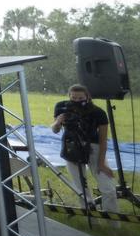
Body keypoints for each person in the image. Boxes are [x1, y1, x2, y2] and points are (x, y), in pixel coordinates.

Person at [51, 84, 118, 214]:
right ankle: (89, 212)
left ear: (88, 97)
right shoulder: (61, 107)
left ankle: (113, 220)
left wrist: (101, 163)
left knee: (108, 187)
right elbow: (55, 130)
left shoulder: (98, 112)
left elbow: (103, 140)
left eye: (80, 97)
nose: (76, 100)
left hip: (94, 147)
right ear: (69, 96)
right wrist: (58, 122)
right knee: (80, 187)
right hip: (72, 147)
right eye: (73, 97)